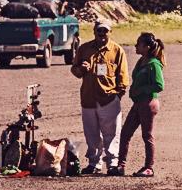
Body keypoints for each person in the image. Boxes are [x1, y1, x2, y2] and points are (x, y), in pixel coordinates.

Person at [70, 19, 129, 173]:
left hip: (109, 99)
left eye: (105, 31)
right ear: (94, 31)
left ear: (110, 32)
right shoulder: (84, 49)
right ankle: (94, 164)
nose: (102, 33)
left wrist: (118, 95)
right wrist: (81, 69)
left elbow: (123, 77)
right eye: (99, 30)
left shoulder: (117, 50)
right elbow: (75, 71)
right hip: (88, 99)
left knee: (111, 133)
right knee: (91, 133)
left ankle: (112, 164)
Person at [118, 33, 164, 176]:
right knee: (125, 133)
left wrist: (141, 90)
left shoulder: (154, 64)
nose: (136, 46)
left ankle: (149, 167)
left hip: (148, 102)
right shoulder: (141, 61)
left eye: (139, 44)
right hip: (138, 103)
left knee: (147, 135)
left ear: (147, 47)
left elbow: (159, 85)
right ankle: (120, 165)